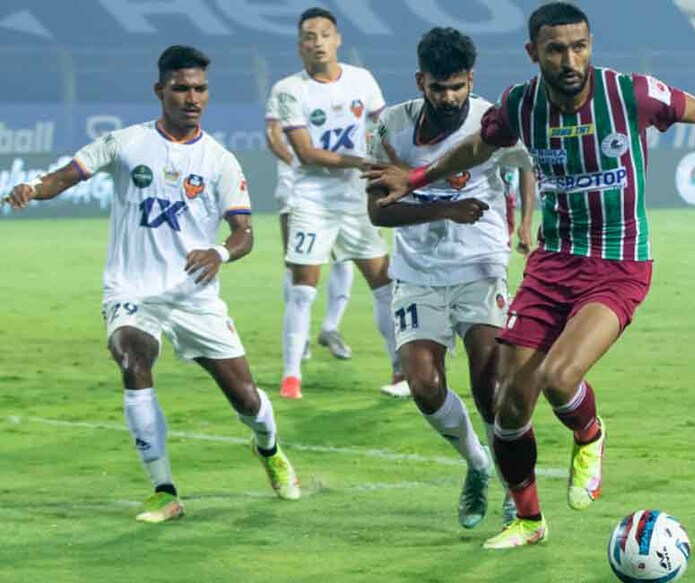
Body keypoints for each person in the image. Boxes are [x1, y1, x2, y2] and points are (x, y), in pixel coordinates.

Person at [365, 1, 695, 549]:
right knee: (509, 400)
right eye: (557, 49)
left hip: (617, 263)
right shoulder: (520, 104)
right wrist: (419, 175)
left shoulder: (629, 94)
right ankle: (527, 520)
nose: (571, 59)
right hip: (551, 263)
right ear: (533, 53)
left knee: (560, 378)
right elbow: (478, 145)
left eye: (579, 46)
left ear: (591, 45)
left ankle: (589, 433)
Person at [2, 45, 300, 523]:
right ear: (159, 90)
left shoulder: (220, 161)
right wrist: (33, 189)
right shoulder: (125, 142)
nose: (192, 97)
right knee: (131, 355)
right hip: (132, 292)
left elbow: (245, 233)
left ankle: (269, 451)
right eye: (181, 88)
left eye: (200, 88)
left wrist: (219, 253)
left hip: (194, 296)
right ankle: (164, 490)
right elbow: (68, 175)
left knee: (245, 398)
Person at [367, 27, 536, 529]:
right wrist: (445, 208)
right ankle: (477, 463)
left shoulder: (490, 122)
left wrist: (527, 221)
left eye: (457, 86)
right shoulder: (388, 127)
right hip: (417, 273)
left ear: (470, 80)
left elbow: (529, 165)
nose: (448, 97)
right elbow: (378, 214)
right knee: (422, 384)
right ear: (420, 81)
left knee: (490, 388)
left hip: (481, 266)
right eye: (438, 87)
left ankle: (513, 488)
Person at [274, 7, 406, 399]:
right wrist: (361, 161)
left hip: (356, 199)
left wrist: (395, 165)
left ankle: (401, 371)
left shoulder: (362, 81)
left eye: (325, 35)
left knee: (382, 283)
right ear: (300, 46)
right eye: (310, 37)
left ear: (338, 40)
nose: (318, 43)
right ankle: (291, 376)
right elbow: (305, 152)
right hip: (311, 200)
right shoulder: (288, 90)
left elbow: (385, 129)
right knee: (303, 287)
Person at [266, 85, 357, 361]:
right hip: (297, 184)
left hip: (344, 182)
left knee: (346, 256)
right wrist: (298, 161)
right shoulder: (287, 91)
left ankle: (331, 326)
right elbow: (273, 134)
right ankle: (300, 335)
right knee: (296, 262)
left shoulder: (350, 90)